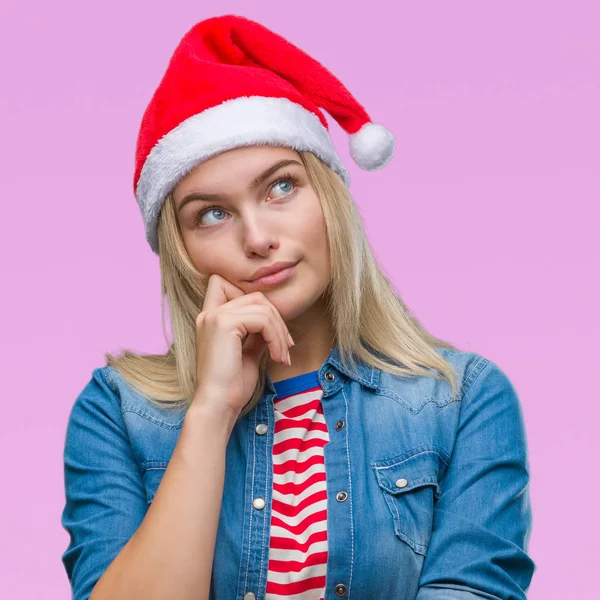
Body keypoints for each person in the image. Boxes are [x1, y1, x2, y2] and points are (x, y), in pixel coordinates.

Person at [60, 13, 536, 600]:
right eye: (212, 213)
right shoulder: (118, 413)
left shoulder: (463, 401)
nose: (257, 236)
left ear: (328, 194)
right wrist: (210, 413)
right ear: (181, 251)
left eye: (280, 186)